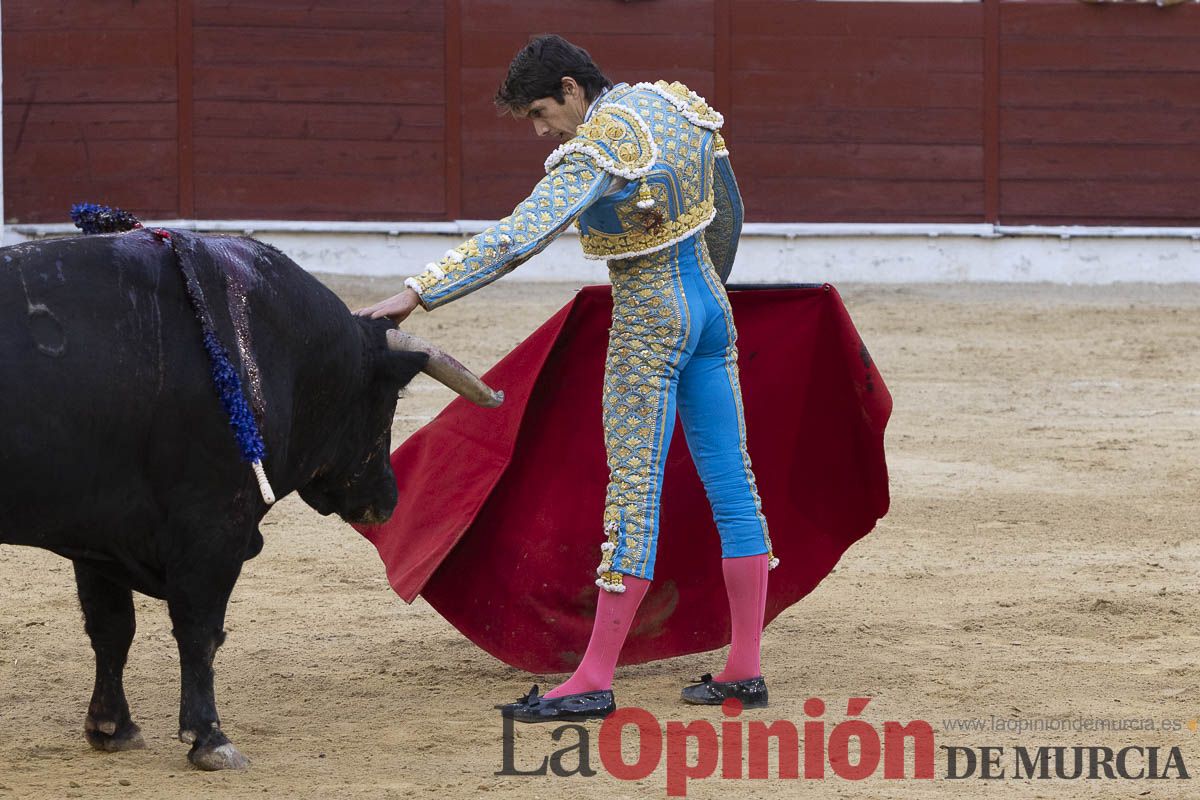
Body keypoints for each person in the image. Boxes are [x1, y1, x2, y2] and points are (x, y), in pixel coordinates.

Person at [356, 34, 776, 722]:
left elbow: (520, 234)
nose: (542, 130)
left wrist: (417, 292)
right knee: (735, 488)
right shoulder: (673, 104)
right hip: (711, 310)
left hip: (651, 320)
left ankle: (592, 678)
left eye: (542, 113)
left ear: (573, 89)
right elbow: (726, 206)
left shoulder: (599, 148)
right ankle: (745, 670)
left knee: (634, 496)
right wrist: (713, 297)